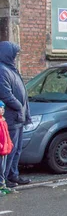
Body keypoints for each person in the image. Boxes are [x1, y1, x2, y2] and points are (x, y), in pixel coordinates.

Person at [0, 42, 32, 188]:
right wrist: (19, 106)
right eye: (15, 53)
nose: (16, 56)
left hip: (18, 117)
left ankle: (13, 174)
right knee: (9, 149)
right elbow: (5, 94)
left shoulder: (10, 68)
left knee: (17, 149)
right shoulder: (2, 70)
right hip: (11, 117)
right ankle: (5, 178)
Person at [0, 100, 14, 195]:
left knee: (3, 169)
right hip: (1, 149)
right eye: (0, 108)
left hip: (4, 149)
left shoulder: (3, 121)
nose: (2, 110)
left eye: (3, 108)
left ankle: (2, 185)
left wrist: (9, 144)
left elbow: (6, 135)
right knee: (0, 169)